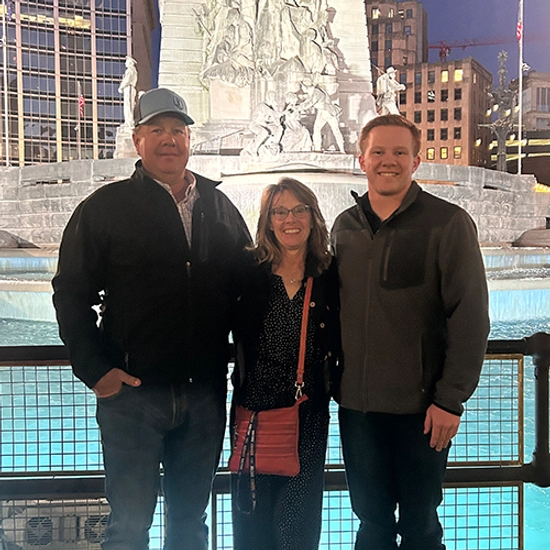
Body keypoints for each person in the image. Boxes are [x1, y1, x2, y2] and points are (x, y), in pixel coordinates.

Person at [52, 87, 251, 550]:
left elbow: (247, 289)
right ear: (137, 140)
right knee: (128, 526)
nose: (169, 140)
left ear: (189, 141)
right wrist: (97, 372)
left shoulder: (219, 207)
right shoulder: (104, 208)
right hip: (132, 397)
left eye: (178, 131)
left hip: (203, 394)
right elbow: (71, 292)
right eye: (157, 130)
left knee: (190, 524)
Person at [331, 114, 490, 550]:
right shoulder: (344, 226)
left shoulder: (448, 223)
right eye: (378, 151)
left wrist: (450, 399)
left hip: (423, 411)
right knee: (371, 523)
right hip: (358, 409)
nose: (389, 161)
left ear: (416, 161)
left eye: (400, 152)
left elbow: (470, 316)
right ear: (361, 159)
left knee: (420, 525)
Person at [231, 177, 340, 550]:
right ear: (267, 219)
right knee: (252, 521)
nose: (289, 219)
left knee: (297, 523)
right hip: (254, 412)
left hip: (307, 414)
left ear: (312, 216)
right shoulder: (246, 272)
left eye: (298, 209)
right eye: (279, 211)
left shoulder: (329, 273)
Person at [118, 56, 138, 127]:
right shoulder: (132, 70)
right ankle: (128, 121)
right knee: (128, 105)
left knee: (128, 105)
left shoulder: (130, 70)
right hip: (129, 88)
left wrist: (121, 87)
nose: (126, 63)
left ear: (130, 63)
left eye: (127, 62)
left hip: (129, 88)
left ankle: (129, 122)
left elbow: (126, 80)